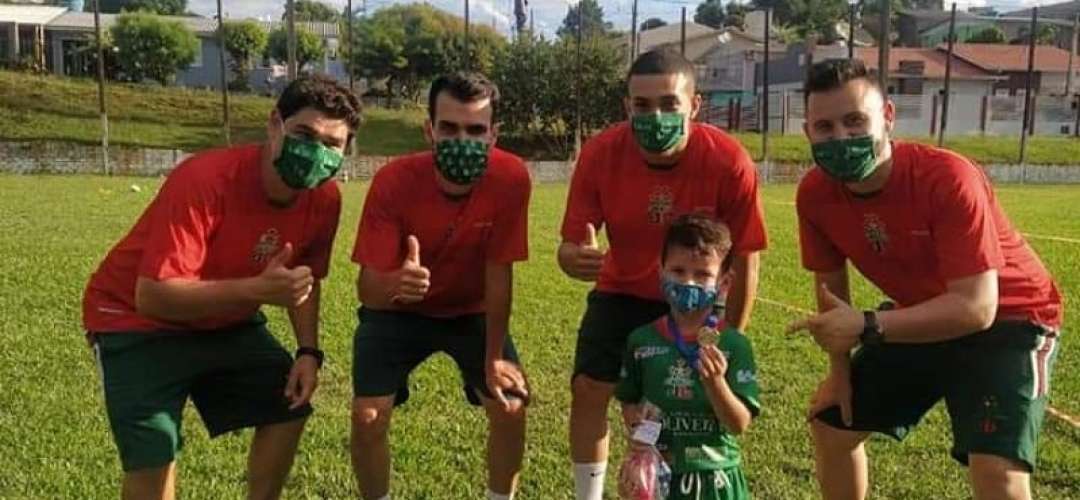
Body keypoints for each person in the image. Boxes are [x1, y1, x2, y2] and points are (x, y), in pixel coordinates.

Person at [789, 58, 1063, 500]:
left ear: (889, 117)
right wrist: (839, 375)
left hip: (1012, 320)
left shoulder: (947, 177)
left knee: (997, 470)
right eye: (825, 127)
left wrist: (868, 325)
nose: (841, 137)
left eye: (856, 121)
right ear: (808, 132)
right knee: (833, 426)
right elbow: (832, 297)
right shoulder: (815, 193)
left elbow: (977, 307)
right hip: (924, 316)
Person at [82, 74, 358, 500]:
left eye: (332, 144)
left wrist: (308, 350)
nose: (316, 151)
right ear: (274, 125)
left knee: (289, 406)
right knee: (155, 454)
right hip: (133, 321)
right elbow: (153, 295)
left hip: (224, 320)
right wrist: (257, 291)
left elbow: (304, 275)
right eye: (305, 133)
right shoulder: (205, 178)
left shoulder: (324, 199)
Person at [558, 48, 767, 500]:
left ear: (694, 105)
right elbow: (571, 248)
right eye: (643, 105)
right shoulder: (600, 153)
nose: (656, 115)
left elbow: (747, 256)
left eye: (669, 104)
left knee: (694, 401)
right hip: (621, 290)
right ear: (626, 107)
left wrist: (727, 336)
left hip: (696, 296)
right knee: (590, 388)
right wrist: (574, 259)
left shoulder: (729, 160)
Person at [349, 72, 531, 500]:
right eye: (449, 128)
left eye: (475, 130)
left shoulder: (510, 177)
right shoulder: (394, 181)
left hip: (472, 311)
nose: (461, 139)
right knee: (367, 416)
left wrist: (493, 359)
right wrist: (399, 283)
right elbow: (367, 289)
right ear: (429, 129)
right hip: (399, 311)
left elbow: (500, 273)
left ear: (493, 135)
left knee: (510, 406)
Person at [616, 214, 760, 500]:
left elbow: (738, 424)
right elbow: (629, 400)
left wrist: (716, 383)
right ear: (661, 272)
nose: (688, 282)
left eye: (703, 275)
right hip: (661, 474)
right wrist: (640, 436)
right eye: (678, 271)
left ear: (724, 283)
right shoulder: (641, 340)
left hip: (715, 478)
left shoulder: (733, 345)